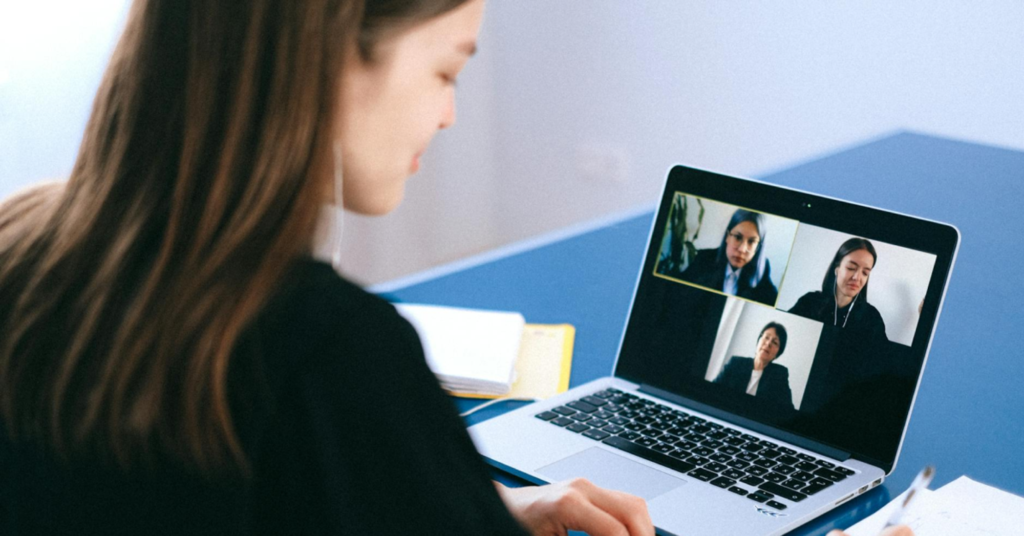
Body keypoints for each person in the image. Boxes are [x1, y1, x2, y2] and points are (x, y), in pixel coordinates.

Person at [0, 1, 912, 536]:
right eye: (444, 71)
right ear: (327, 52)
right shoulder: (332, 356)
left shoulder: (22, 247)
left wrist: (480, 515)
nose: (447, 117)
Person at [788, 238, 887, 342]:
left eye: (865, 273)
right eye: (851, 268)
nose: (857, 277)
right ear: (837, 269)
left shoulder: (871, 317)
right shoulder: (809, 302)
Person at [679, 209, 779, 306]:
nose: (742, 249)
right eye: (737, 237)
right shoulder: (704, 259)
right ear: (727, 236)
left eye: (751, 242)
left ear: (758, 247)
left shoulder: (762, 269)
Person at [713, 322, 795, 412]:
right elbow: (712, 390)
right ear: (758, 341)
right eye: (766, 337)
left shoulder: (779, 374)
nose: (768, 344)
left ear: (777, 354)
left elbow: (787, 410)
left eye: (775, 342)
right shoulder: (735, 363)